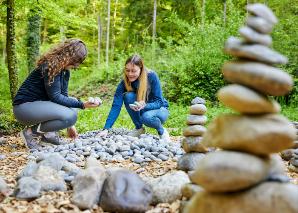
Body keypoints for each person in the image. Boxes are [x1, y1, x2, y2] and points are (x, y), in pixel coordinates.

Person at [13, 39, 99, 149]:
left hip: (38, 106)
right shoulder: (50, 65)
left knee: (72, 104)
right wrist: (82, 105)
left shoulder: (64, 71)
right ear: (68, 55)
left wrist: (69, 125)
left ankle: (49, 136)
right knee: (71, 113)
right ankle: (29, 133)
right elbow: (56, 97)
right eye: (76, 60)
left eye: (79, 62)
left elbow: (64, 96)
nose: (77, 65)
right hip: (24, 108)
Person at [99, 54, 170, 141]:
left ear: (141, 69)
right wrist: (106, 129)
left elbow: (159, 102)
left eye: (134, 71)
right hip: (143, 108)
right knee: (128, 96)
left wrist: (144, 106)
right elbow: (116, 106)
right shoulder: (124, 83)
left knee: (146, 117)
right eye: (127, 70)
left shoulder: (151, 76)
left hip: (160, 109)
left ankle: (161, 131)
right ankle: (139, 128)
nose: (130, 74)